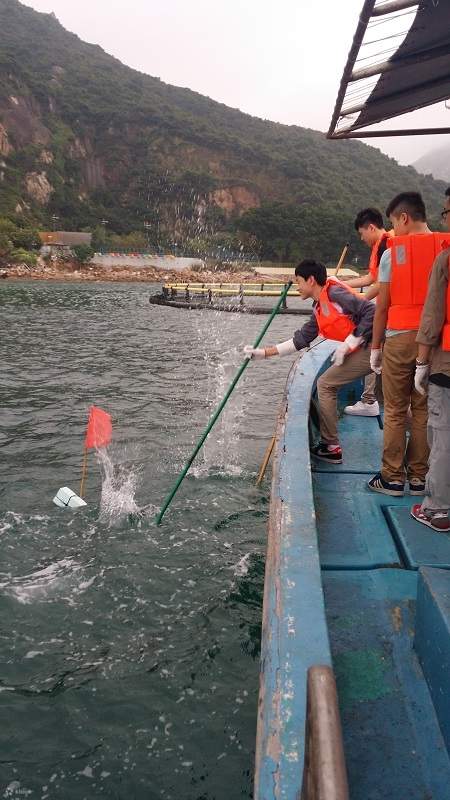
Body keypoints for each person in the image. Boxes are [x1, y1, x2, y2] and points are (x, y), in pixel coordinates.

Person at [244, 259, 375, 464]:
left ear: (311, 280)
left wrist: (350, 342)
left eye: (299, 281)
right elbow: (301, 340)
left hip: (377, 347)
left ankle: (331, 447)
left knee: (325, 384)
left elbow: (371, 311)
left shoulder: (335, 294)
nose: (297, 287)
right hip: (366, 347)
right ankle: (329, 443)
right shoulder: (318, 307)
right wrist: (263, 353)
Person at [368, 191, 448, 497]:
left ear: (404, 218)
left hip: (399, 340)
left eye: (393, 224)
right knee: (424, 409)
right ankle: (418, 477)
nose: (394, 231)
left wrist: (376, 347)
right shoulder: (446, 247)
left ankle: (391, 478)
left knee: (395, 410)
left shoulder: (392, 253)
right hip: (435, 343)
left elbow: (383, 306)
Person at [411, 187, 450, 532]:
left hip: (447, 365)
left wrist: (421, 363)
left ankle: (437, 509)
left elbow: (433, 313)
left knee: (443, 435)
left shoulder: (446, 258)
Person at [343, 207, 392, 417]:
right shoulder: (380, 246)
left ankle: (370, 400)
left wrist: (361, 300)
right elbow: (370, 279)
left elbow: (381, 284)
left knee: (374, 346)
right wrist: (340, 284)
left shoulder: (387, 245)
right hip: (385, 310)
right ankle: (370, 398)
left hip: (389, 312)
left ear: (371, 227)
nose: (362, 238)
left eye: (362, 233)